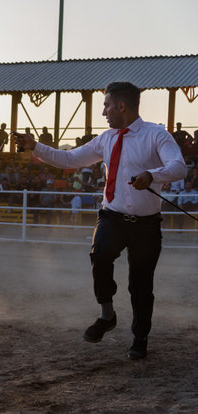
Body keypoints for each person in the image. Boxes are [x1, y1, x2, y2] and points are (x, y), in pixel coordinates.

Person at [14, 81, 187, 360]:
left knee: (141, 284)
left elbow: (178, 167)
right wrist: (35, 146)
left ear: (121, 106)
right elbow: (69, 159)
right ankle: (107, 315)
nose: (104, 112)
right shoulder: (106, 139)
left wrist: (152, 175)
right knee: (100, 254)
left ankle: (140, 337)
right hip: (113, 216)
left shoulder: (156, 134)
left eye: (106, 105)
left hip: (146, 224)